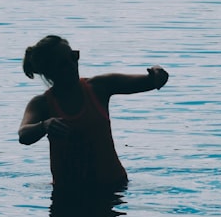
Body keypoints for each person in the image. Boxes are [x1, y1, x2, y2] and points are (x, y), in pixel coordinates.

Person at [18, 35, 169, 194]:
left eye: (73, 56)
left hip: (112, 189)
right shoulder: (42, 104)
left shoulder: (99, 87)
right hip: (68, 194)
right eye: (63, 63)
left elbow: (150, 82)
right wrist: (44, 126)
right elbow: (24, 134)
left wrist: (158, 73)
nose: (71, 64)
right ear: (49, 70)